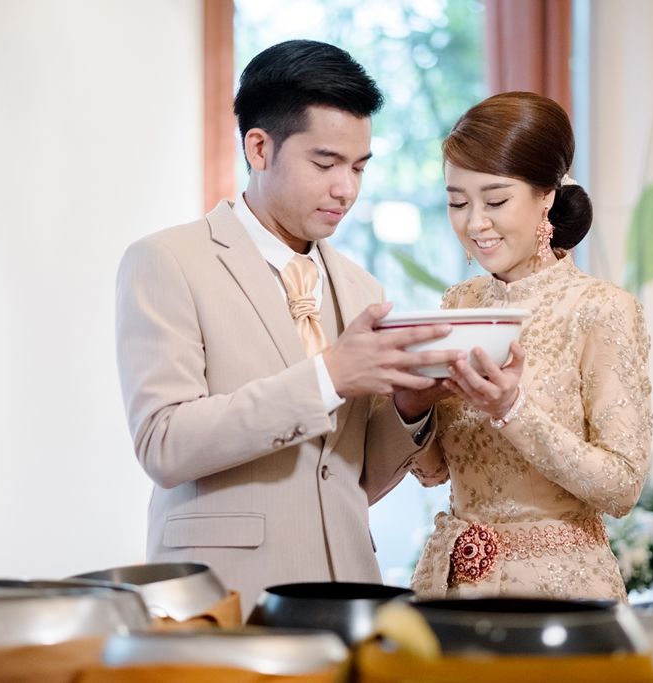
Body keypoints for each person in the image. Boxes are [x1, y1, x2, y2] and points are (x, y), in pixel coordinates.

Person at [115, 40, 462, 615]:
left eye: (359, 167)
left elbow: (349, 480)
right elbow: (164, 444)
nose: (346, 189)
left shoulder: (363, 290)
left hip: (349, 593)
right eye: (325, 164)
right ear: (259, 147)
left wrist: (411, 406)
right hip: (222, 596)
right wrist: (327, 378)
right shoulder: (167, 261)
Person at [406, 92, 652, 601]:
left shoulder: (599, 308)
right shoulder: (458, 302)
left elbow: (622, 487)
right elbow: (434, 473)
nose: (474, 223)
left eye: (495, 201)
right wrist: (409, 406)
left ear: (546, 196)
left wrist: (512, 409)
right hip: (450, 589)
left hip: (558, 593)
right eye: (458, 202)